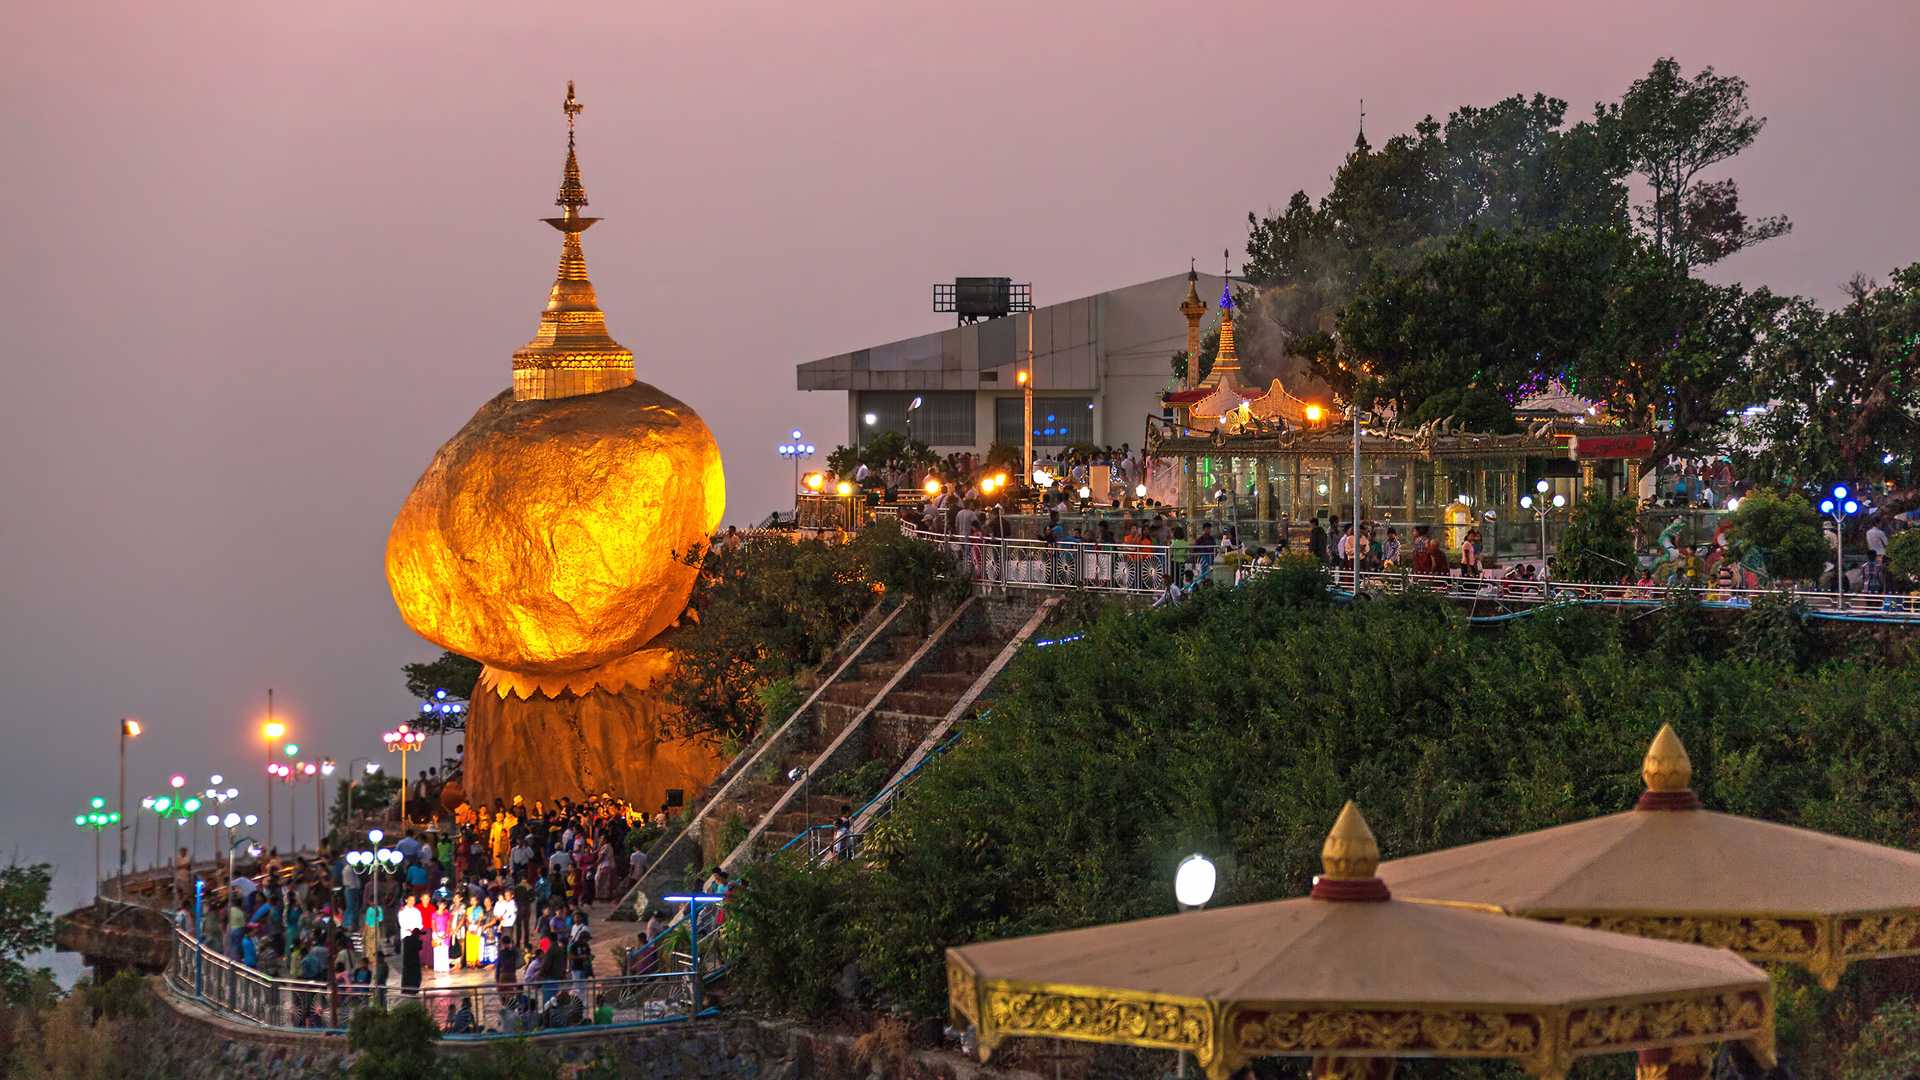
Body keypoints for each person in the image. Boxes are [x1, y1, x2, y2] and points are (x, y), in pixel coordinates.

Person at [400, 926, 425, 995]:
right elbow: (419, 947)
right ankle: (413, 990)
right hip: (414, 963)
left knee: (407, 976)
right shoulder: (416, 941)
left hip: (406, 962)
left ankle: (406, 990)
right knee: (415, 977)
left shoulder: (406, 939)